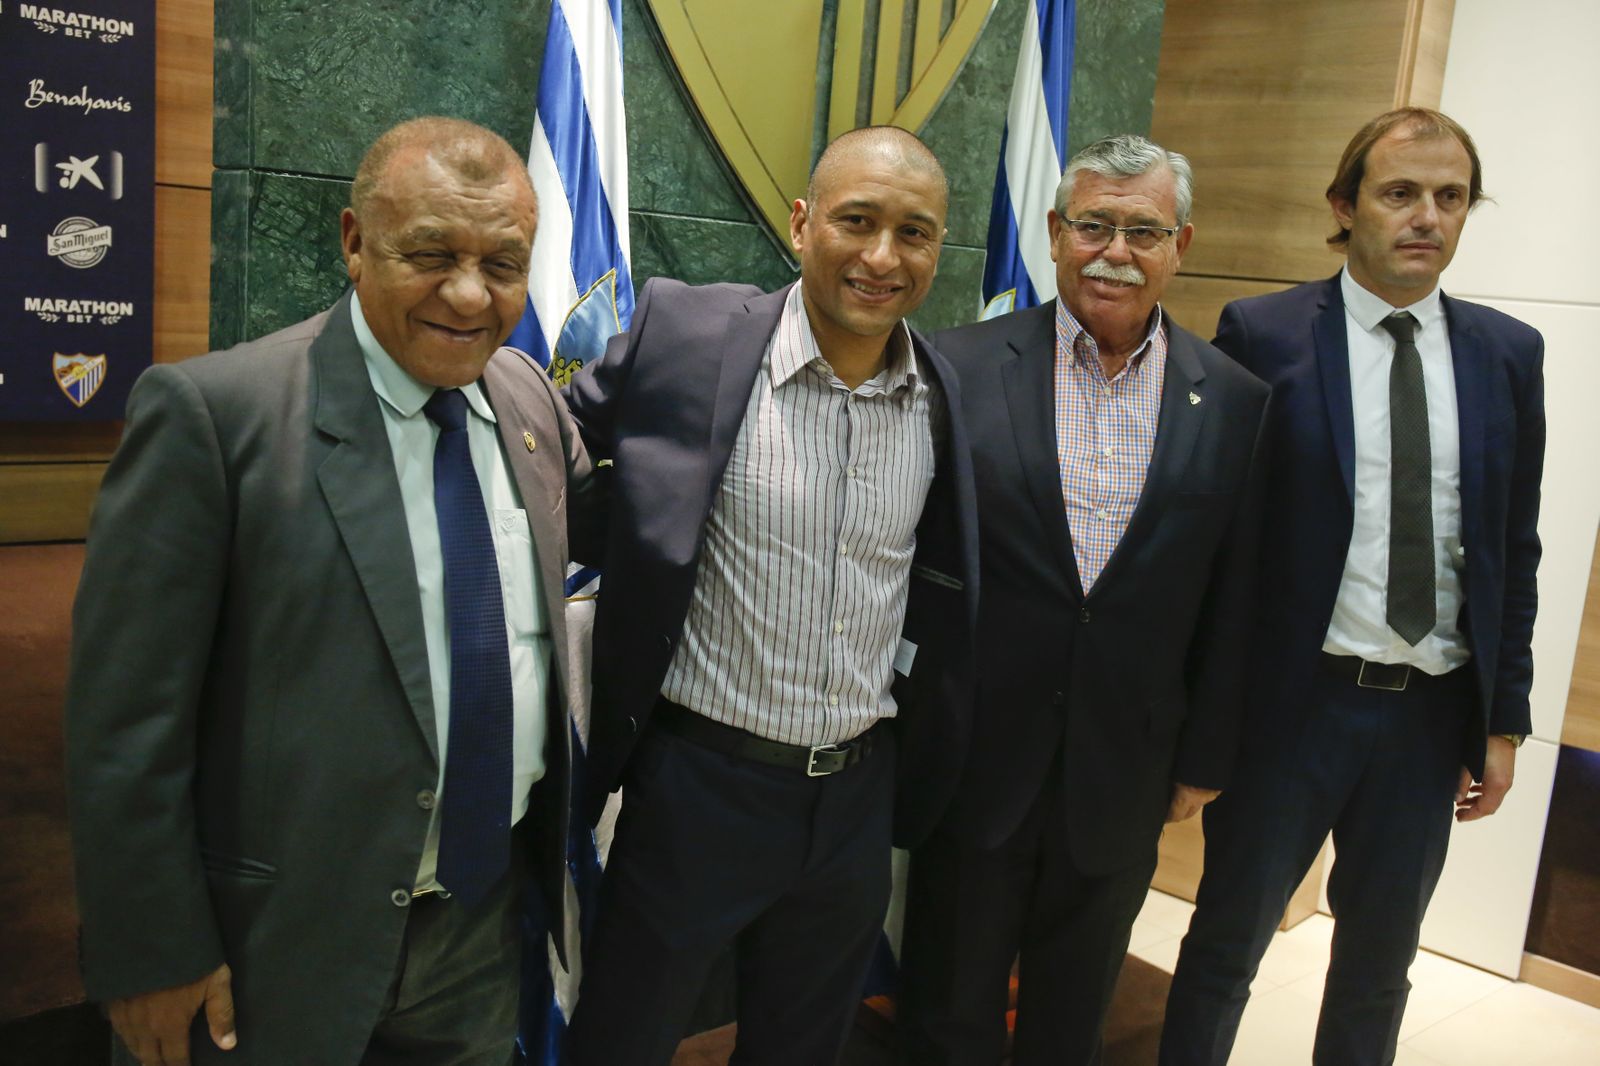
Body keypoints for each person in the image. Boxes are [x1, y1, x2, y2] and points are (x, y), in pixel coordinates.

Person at [65, 116, 598, 1066]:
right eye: (430, 254)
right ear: (355, 242)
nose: (469, 293)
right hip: (273, 947)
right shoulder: (215, 418)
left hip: (478, 928)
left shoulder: (528, 401)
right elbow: (125, 724)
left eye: (503, 264)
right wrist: (149, 948)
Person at [559, 125, 978, 1066]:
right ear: (801, 223)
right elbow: (551, 453)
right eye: (856, 221)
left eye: (913, 233)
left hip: (855, 800)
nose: (882, 257)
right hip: (698, 787)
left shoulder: (948, 394)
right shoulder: (689, 336)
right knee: (621, 1038)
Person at [1160, 107, 1546, 1066]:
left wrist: (1503, 721)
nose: (1427, 217)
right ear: (1345, 205)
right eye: (1400, 193)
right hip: (1295, 712)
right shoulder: (1266, 333)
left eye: (1450, 197)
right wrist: (1205, 721)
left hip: (1429, 719)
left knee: (1380, 967)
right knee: (1225, 949)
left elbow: (1513, 548)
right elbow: (1223, 546)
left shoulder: (1508, 354)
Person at [896, 133, 1270, 1066]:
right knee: (946, 1015)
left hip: (1125, 769)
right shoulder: (954, 367)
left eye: (1144, 231)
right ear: (1056, 232)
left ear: (1181, 245)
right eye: (1095, 225)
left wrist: (1206, 756)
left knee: (1072, 1021)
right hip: (975, 762)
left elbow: (1233, 595)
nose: (1116, 252)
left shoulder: (1234, 400)